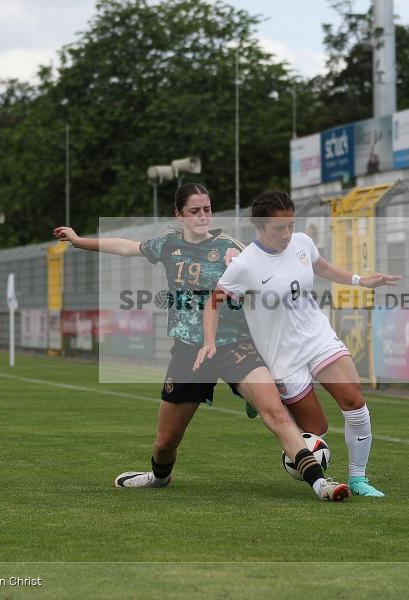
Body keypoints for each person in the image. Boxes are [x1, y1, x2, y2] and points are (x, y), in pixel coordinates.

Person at [53, 183, 350, 502]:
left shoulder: (232, 249)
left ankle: (322, 484)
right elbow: (126, 246)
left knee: (275, 414)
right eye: (194, 211)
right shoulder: (166, 244)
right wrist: (78, 240)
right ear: (178, 215)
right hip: (189, 352)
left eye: (207, 209)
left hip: (236, 346)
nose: (202, 216)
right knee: (166, 442)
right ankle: (159, 476)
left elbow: (267, 275)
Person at [195, 191, 401, 498]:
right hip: (281, 356)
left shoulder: (302, 243)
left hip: (316, 337)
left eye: (291, 225)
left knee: (354, 400)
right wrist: (209, 342)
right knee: (315, 430)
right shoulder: (245, 264)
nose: (287, 233)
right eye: (279, 228)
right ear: (261, 227)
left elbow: (323, 268)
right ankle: (260, 402)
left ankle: (358, 479)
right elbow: (214, 302)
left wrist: (361, 280)